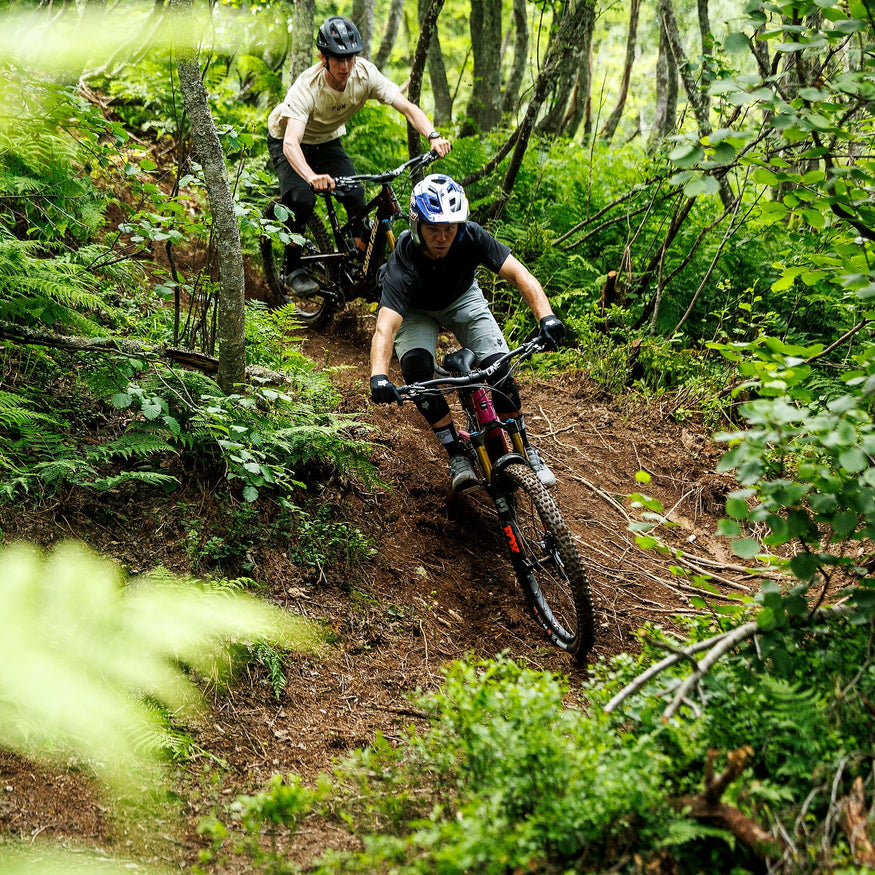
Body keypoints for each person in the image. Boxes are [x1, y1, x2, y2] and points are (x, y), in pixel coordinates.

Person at [369, 174, 566, 493]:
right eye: (433, 228)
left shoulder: (471, 235)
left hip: (463, 298)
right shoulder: (403, 259)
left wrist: (547, 317)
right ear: (417, 225)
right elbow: (386, 326)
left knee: (500, 368)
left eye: (450, 228)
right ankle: (456, 453)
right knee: (416, 372)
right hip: (416, 310)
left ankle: (525, 447)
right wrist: (379, 375)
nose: (442, 237)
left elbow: (520, 274)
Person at [267, 15, 452, 296]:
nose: (345, 66)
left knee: (355, 195)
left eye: (350, 58)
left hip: (326, 141)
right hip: (287, 139)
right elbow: (291, 144)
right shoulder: (307, 87)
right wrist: (312, 176)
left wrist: (433, 136)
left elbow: (406, 107)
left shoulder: (364, 75)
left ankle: (360, 265)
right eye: (338, 59)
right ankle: (292, 267)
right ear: (323, 58)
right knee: (301, 199)